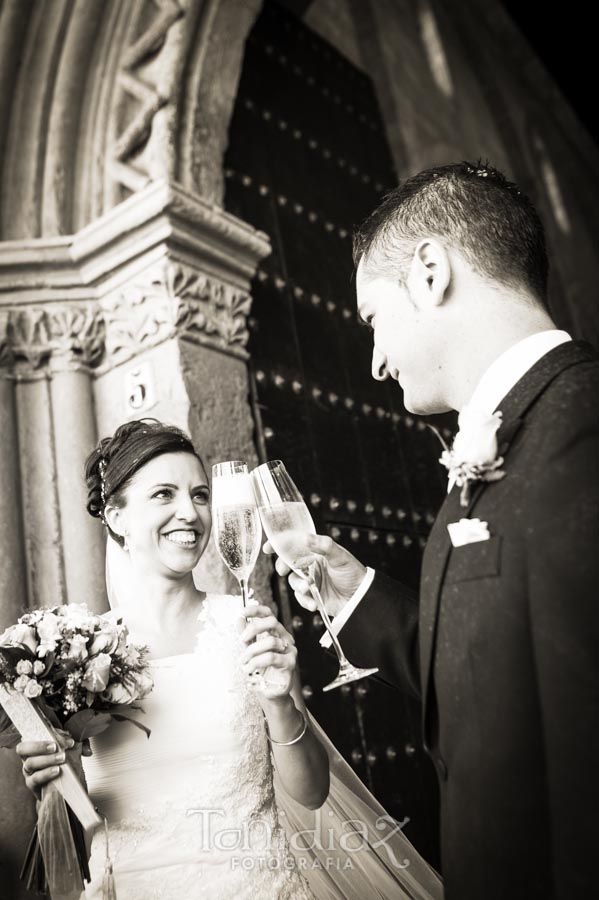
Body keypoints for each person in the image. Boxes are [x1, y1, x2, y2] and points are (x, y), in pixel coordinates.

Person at [267, 162, 598, 900]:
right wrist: (358, 598)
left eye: (372, 320)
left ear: (428, 272)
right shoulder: (511, 436)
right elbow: (498, 683)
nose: (377, 364)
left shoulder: (579, 426)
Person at [15, 419, 443, 900]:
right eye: (164, 494)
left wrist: (282, 703)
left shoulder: (247, 627)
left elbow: (311, 792)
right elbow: (81, 827)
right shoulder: (74, 652)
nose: (191, 513)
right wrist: (55, 781)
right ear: (115, 515)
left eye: (200, 495)